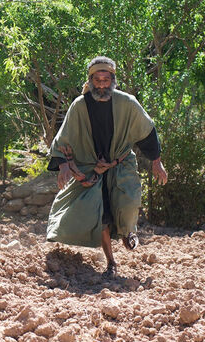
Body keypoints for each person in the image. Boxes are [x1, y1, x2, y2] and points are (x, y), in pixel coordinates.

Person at [46, 56, 168, 277]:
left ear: (113, 79)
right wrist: (63, 166)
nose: (101, 84)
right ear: (90, 81)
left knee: (129, 203)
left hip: (121, 165)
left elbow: (147, 131)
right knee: (100, 215)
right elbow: (62, 139)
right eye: (97, 80)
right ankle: (111, 263)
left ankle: (128, 231)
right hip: (91, 170)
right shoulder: (79, 106)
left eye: (106, 79)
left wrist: (157, 162)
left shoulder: (127, 103)